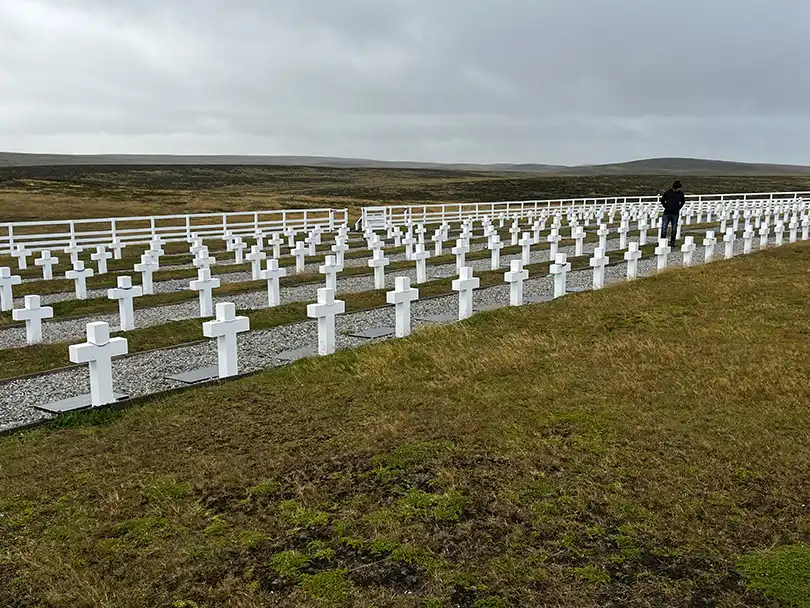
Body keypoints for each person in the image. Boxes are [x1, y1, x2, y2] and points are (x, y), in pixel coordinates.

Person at [659, 180, 686, 246]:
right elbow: (662, 200)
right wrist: (666, 207)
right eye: (679, 188)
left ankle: (672, 242)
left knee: (674, 229)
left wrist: (678, 207)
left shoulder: (681, 194)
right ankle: (662, 242)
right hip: (667, 213)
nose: (679, 189)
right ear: (676, 187)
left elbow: (683, 201)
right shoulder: (668, 193)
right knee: (664, 228)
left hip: (675, 213)